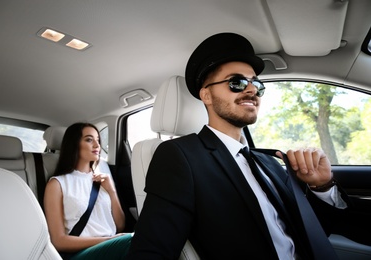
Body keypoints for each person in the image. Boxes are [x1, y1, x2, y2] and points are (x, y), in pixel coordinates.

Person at [126, 33, 371, 259]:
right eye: (236, 82)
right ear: (206, 96)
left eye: (257, 84)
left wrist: (322, 186)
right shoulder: (181, 156)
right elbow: (151, 252)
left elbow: (316, 231)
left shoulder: (270, 162)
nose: (252, 89)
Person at [44, 122, 132, 260]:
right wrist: (108, 241)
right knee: (134, 241)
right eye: (89, 140)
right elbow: (58, 241)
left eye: (98, 140)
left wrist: (112, 191)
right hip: (81, 253)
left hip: (112, 245)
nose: (97, 146)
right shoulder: (57, 184)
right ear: (74, 144)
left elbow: (120, 225)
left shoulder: (103, 180)